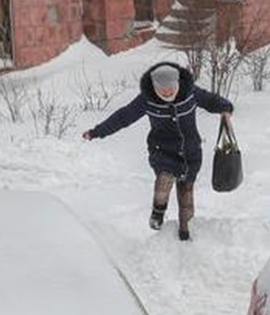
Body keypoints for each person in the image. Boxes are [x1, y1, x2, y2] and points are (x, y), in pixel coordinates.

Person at [82, 62, 233, 242]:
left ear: (177, 83)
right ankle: (158, 212)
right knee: (164, 181)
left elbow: (210, 100)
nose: (167, 93)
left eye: (171, 89)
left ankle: (186, 231)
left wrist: (225, 108)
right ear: (155, 88)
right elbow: (123, 117)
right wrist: (96, 132)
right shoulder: (147, 100)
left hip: (190, 153)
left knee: (186, 194)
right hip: (163, 151)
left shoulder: (190, 93)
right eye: (163, 90)